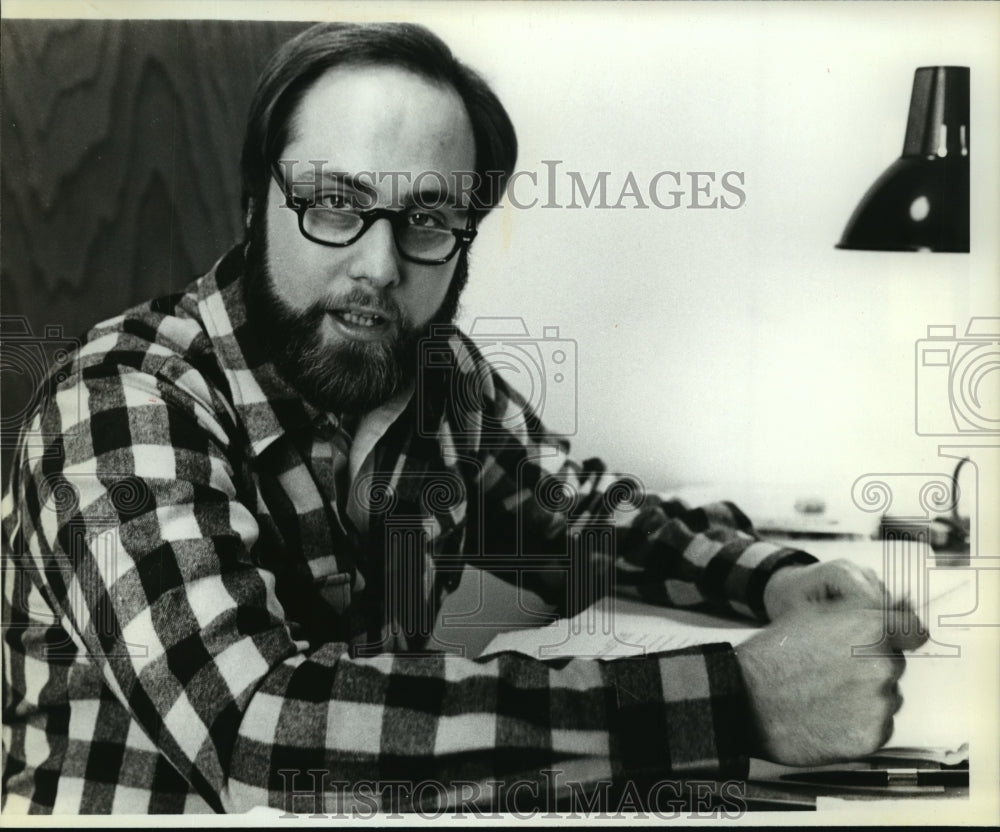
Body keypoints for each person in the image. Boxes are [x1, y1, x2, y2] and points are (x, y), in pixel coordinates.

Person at [1, 21, 924, 815]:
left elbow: (584, 519)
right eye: (335, 202)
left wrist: (777, 581)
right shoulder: (118, 402)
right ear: (255, 205)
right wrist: (743, 699)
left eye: (429, 218)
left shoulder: (434, 373)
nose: (380, 264)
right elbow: (258, 735)